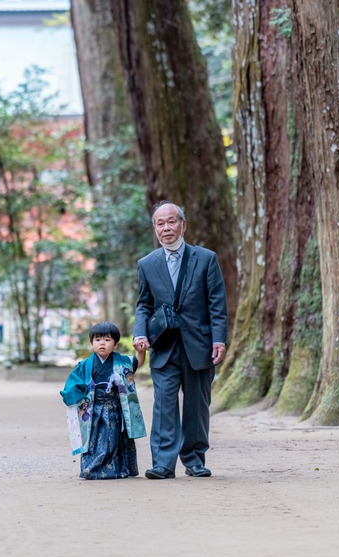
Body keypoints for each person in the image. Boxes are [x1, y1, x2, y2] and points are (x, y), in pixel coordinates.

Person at [132, 200, 228, 479]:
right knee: (164, 404)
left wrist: (219, 340)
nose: (166, 228)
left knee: (197, 405)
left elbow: (217, 304)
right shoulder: (147, 264)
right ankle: (162, 463)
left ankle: (195, 459)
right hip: (163, 345)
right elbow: (143, 305)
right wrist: (140, 333)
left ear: (183, 225)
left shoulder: (206, 258)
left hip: (199, 344)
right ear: (155, 229)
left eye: (171, 221)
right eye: (160, 223)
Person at [59, 322, 147, 480]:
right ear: (92, 343)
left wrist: (141, 352)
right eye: (98, 339)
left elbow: (137, 364)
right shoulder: (85, 365)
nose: (102, 343)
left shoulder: (122, 361)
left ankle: (117, 470)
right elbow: (72, 383)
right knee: (93, 440)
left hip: (114, 409)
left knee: (113, 440)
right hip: (93, 410)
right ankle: (91, 468)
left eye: (107, 340)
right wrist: (75, 391)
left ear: (115, 344)